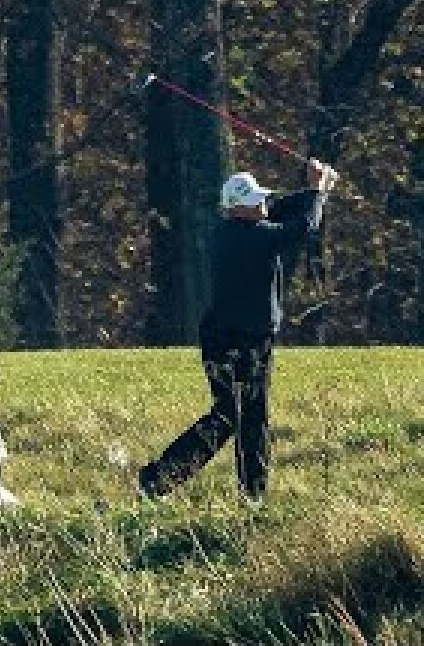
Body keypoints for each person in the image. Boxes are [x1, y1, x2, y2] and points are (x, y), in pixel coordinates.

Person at [139, 158, 337, 504]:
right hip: (243, 340)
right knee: (242, 416)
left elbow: (282, 207)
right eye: (255, 202)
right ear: (238, 209)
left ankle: (174, 481)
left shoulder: (231, 229)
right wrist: (316, 192)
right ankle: (178, 481)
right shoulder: (254, 237)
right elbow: (301, 228)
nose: (262, 205)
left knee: (238, 417)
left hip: (226, 337)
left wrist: (313, 190)